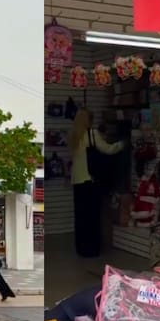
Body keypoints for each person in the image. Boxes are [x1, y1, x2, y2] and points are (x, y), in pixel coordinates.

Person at [68, 108, 125, 257]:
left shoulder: (74, 136)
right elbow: (108, 149)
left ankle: (81, 248)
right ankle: (92, 248)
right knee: (92, 216)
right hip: (90, 180)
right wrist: (122, 144)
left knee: (80, 217)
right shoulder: (91, 134)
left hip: (77, 182)